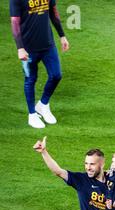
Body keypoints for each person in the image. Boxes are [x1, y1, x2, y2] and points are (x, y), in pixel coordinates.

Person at [10, 0, 70, 129]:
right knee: (30, 80)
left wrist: (62, 36)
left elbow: (53, 13)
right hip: (28, 48)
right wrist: (20, 48)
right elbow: (15, 22)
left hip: (48, 44)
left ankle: (43, 105)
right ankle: (32, 114)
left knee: (56, 75)